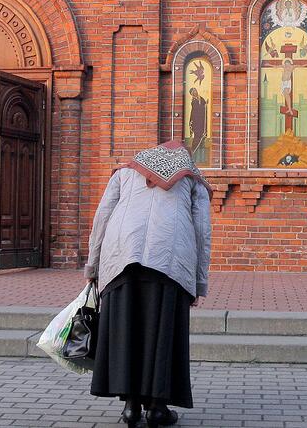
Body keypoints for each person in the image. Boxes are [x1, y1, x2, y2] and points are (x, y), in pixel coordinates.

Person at [83, 140, 212, 428]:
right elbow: (202, 232)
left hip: (120, 257)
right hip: (170, 260)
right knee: (162, 332)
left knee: (125, 329)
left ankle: (130, 407)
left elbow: (101, 218)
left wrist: (92, 265)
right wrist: (199, 281)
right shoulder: (193, 180)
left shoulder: (124, 172)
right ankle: (157, 408)